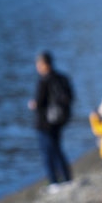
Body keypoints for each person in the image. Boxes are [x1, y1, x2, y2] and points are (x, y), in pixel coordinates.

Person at [28, 51, 73, 191]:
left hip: (44, 123)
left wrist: (33, 104)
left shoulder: (44, 81)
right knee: (58, 149)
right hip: (59, 121)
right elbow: (70, 97)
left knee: (47, 153)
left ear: (44, 64)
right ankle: (66, 178)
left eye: (39, 63)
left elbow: (39, 102)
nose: (37, 66)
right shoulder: (62, 78)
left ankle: (54, 182)